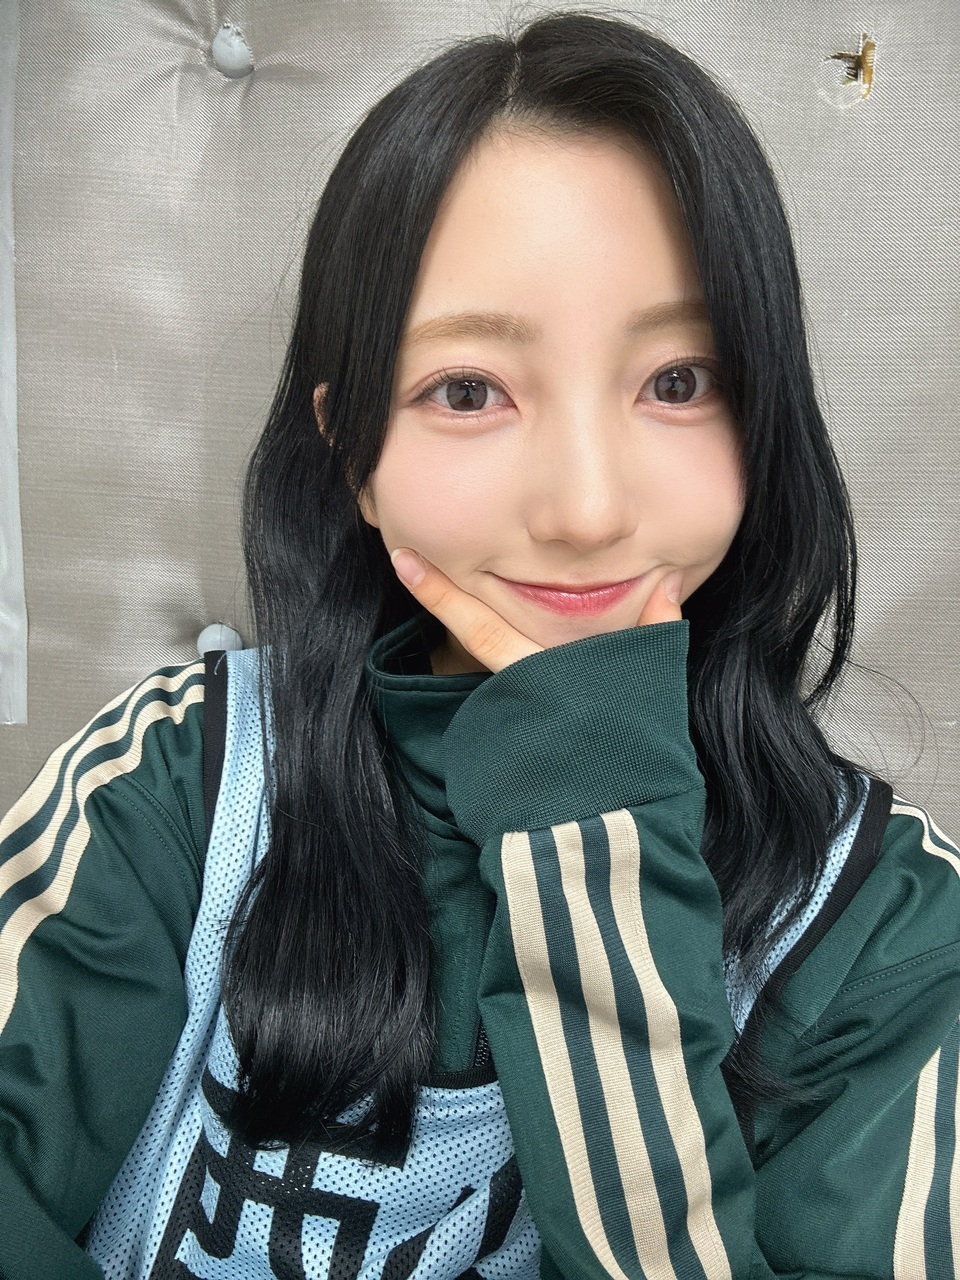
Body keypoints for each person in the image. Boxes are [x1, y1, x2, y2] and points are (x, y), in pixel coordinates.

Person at [1, 8, 957, 1278]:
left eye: (678, 382)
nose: (586, 508)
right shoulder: (181, 778)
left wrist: (590, 812)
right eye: (468, 391)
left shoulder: (886, 928)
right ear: (353, 451)